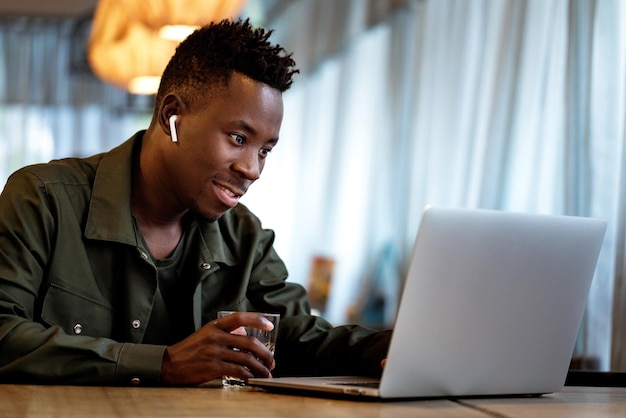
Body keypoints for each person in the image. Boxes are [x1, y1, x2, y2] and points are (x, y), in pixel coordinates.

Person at [0, 19, 391, 386]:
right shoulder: (42, 198)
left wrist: (387, 349)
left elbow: (295, 334)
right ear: (173, 116)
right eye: (239, 138)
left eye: (266, 150)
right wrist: (163, 363)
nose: (252, 169)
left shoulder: (245, 235)